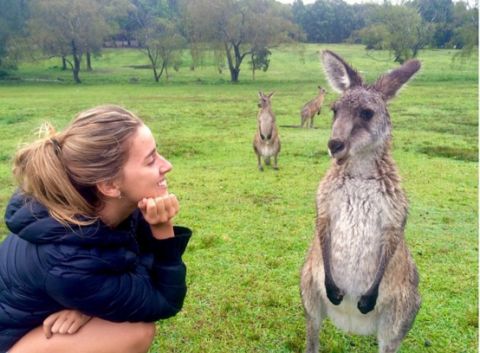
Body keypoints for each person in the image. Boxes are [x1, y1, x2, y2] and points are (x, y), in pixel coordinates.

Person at [0, 105, 192, 353]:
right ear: (110, 185)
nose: (167, 165)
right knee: (134, 332)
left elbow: (128, 264)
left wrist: (89, 305)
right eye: (151, 159)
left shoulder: (95, 205)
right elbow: (164, 299)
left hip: (27, 319)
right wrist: (163, 229)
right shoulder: (68, 262)